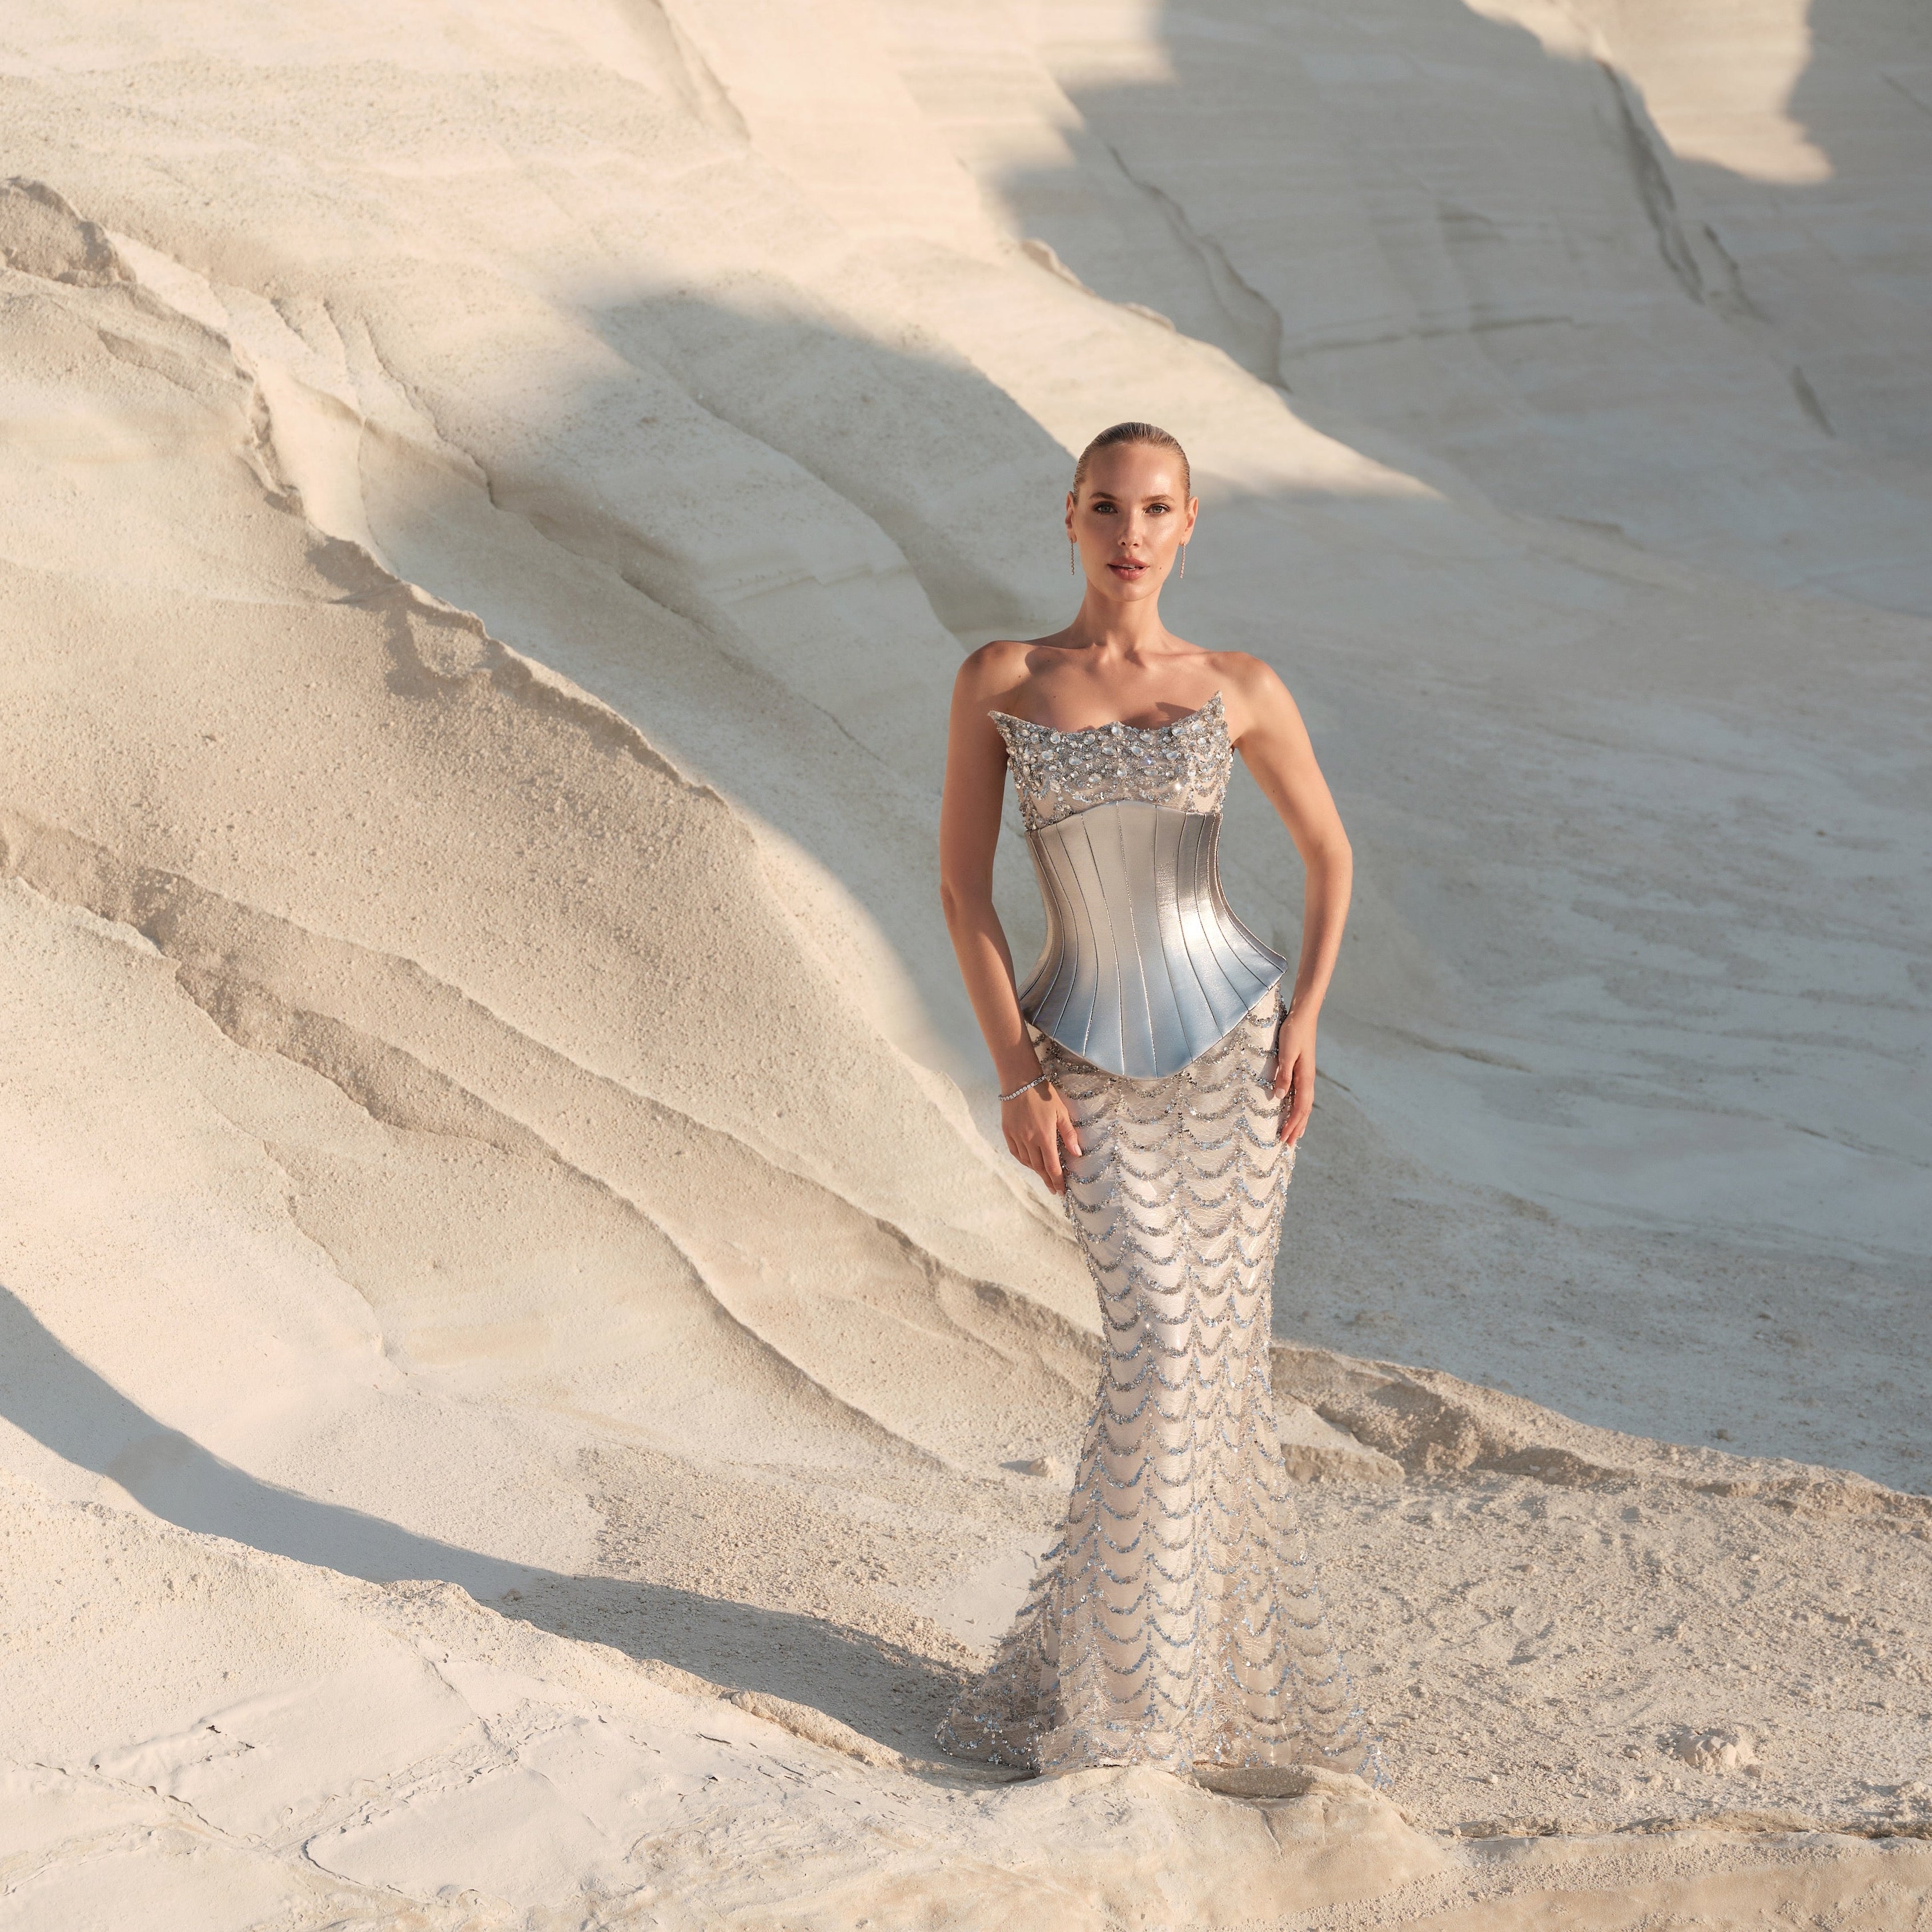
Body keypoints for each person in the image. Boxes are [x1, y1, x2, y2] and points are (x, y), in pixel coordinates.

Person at [933, 421, 1373, 1788]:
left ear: (1192, 526)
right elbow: (963, 889)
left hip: (1236, 1067)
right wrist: (1015, 1070)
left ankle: (1184, 1706)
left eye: (1158, 509)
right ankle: (1122, 1709)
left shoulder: (1237, 684)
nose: (1131, 531)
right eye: (1107, 506)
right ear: (1067, 516)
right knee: (1162, 1353)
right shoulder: (1003, 676)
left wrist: (1303, 1013)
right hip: (1083, 1065)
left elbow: (1329, 851)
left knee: (1218, 1377)